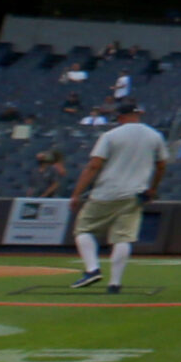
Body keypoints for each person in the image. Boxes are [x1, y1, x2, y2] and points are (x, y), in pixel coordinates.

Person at [69, 100, 168, 293]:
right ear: (138, 114)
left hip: (106, 192)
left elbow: (94, 165)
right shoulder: (155, 136)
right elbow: (162, 165)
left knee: (83, 229)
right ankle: (115, 283)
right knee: (123, 238)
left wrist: (76, 193)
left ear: (121, 117)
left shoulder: (110, 135)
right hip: (134, 194)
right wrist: (152, 189)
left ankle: (92, 269)